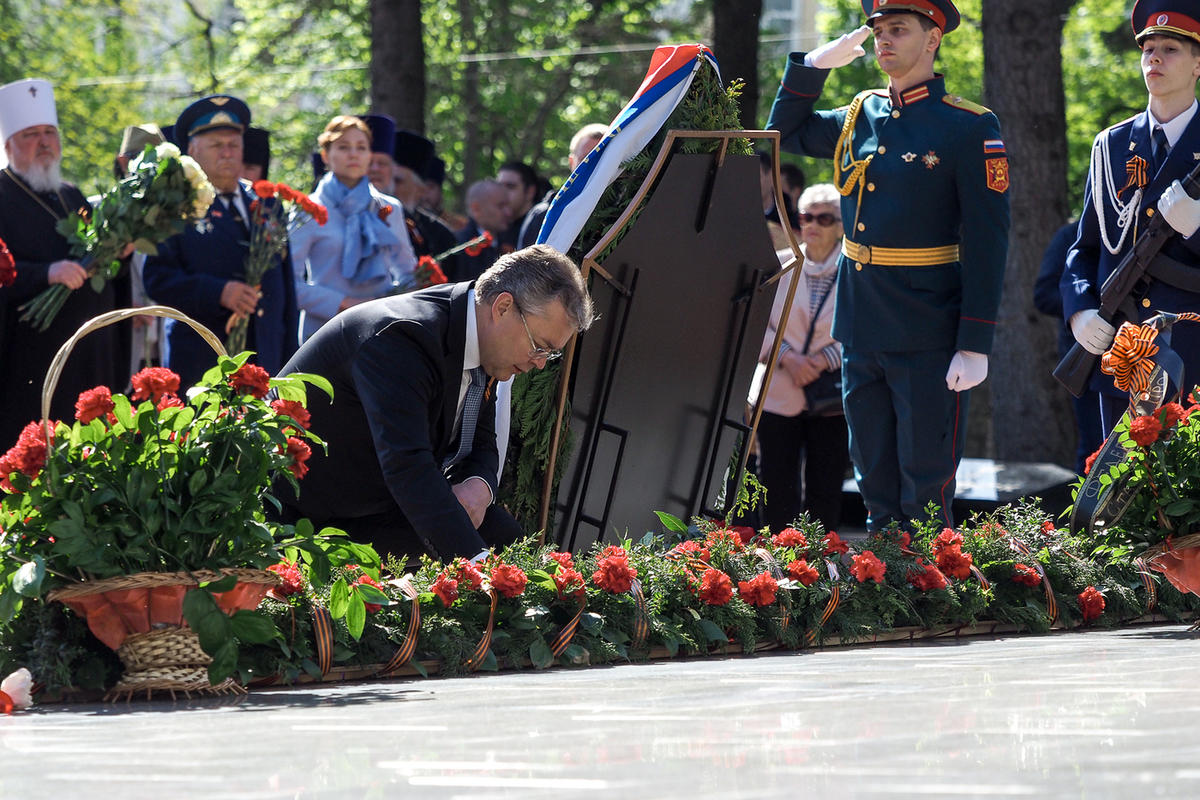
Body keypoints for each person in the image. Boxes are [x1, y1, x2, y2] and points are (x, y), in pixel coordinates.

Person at [766, 0, 1010, 531]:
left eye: (898, 29)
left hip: (928, 325)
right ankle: (885, 591)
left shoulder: (968, 126)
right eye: (878, 30)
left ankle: (928, 593)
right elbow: (780, 134)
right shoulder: (860, 113)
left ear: (933, 39)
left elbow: (989, 241)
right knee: (873, 476)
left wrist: (975, 341)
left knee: (924, 482)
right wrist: (812, 67)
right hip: (860, 324)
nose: (883, 39)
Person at [275, 244, 594, 561]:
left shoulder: (485, 341)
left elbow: (481, 440)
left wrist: (479, 484)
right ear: (503, 307)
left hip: (370, 505)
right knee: (490, 565)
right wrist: (476, 569)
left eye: (550, 355)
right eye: (539, 346)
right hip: (298, 522)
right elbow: (408, 468)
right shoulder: (404, 339)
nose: (540, 364)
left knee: (507, 544)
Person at [1063, 1, 1200, 434]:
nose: (1154, 58)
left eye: (1171, 49)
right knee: (1118, 495)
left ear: (1198, 64)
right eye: (1148, 48)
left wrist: (1197, 228)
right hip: (1122, 356)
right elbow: (1084, 250)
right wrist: (1080, 310)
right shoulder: (1111, 146)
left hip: (1193, 361)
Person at [0, 78, 132, 446]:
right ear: (9, 143)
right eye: (31, 134)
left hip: (89, 350)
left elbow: (98, 264)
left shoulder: (70, 194)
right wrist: (45, 274)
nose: (44, 143)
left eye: (49, 133)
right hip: (30, 356)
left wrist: (116, 254)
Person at [143, 94, 299, 388]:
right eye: (216, 146)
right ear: (192, 150)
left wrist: (290, 359)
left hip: (267, 359)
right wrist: (217, 292)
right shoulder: (174, 207)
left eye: (234, 145)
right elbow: (157, 279)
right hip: (204, 364)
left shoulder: (267, 205)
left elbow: (285, 290)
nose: (227, 153)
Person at [750, 184, 850, 533]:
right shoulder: (778, 265)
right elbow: (752, 325)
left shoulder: (857, 271)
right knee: (776, 487)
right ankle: (775, 568)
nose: (812, 224)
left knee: (826, 486)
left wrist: (826, 359)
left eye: (824, 218)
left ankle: (824, 570)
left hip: (832, 395)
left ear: (841, 224)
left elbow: (867, 329)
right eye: (806, 216)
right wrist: (786, 356)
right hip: (779, 391)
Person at [291, 115, 417, 342]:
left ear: (370, 155)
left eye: (361, 147)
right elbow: (290, 283)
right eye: (343, 147)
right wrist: (344, 304)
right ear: (325, 156)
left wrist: (391, 303)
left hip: (381, 327)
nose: (353, 154)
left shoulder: (389, 208)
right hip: (324, 330)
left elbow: (408, 272)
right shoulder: (308, 209)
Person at [1036, 220, 1102, 473]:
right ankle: (1085, 513)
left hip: (1130, 354)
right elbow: (1043, 295)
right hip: (1085, 359)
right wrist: (1084, 309)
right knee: (1094, 448)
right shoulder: (1069, 236)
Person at [521, 123, 606, 248]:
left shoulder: (624, 209)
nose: (592, 166)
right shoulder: (545, 214)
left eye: (601, 159)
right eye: (585, 159)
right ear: (571, 162)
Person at [450, 180, 512, 282]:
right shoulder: (459, 246)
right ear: (476, 209)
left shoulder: (509, 240)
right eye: (500, 206)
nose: (508, 212)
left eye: (508, 206)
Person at [496, 161, 539, 251]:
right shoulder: (496, 227)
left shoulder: (539, 228)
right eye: (499, 186)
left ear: (530, 192)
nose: (502, 192)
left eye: (510, 186)